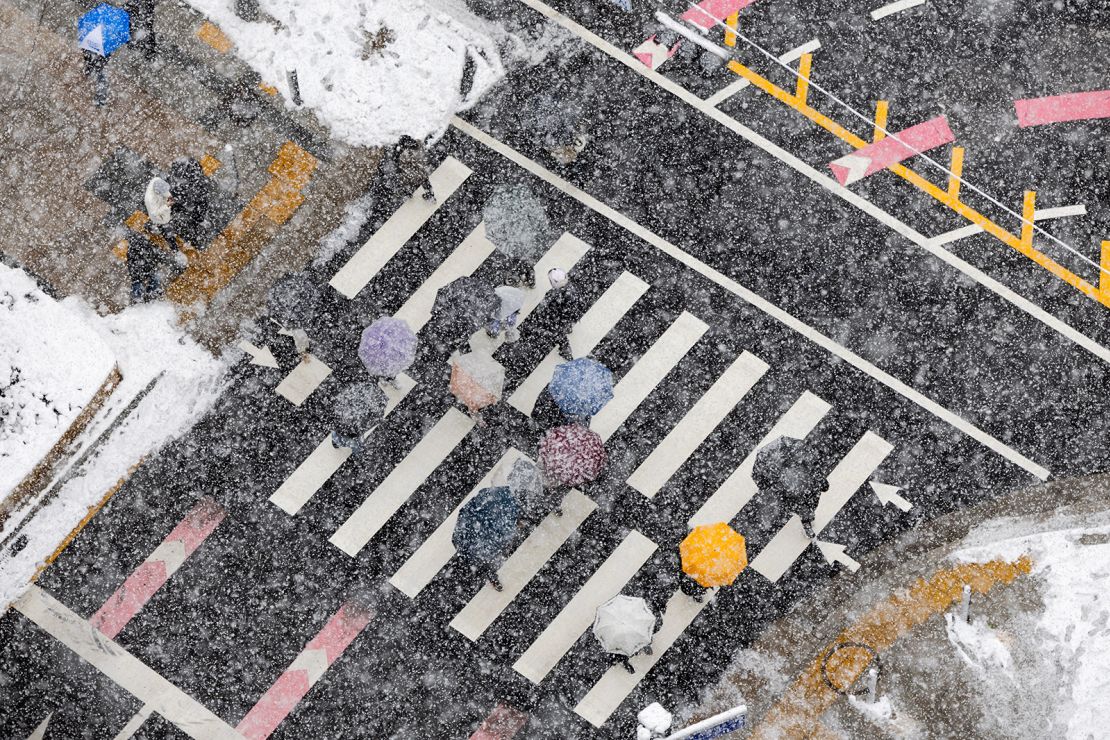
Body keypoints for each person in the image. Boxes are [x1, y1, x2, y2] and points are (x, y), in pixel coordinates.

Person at [396, 135, 434, 201]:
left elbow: (403, 165)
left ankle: (407, 193)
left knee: (403, 180)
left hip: (414, 172)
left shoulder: (406, 154)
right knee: (424, 180)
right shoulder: (418, 143)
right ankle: (430, 193)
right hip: (422, 168)